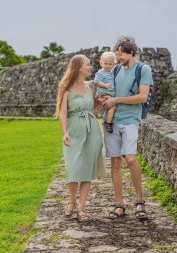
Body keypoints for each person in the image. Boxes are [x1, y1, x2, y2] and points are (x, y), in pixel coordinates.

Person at [101, 36, 153, 220]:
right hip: (112, 121)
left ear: (131, 52)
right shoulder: (115, 70)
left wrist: (116, 100)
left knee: (130, 159)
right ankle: (120, 204)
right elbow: (108, 91)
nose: (118, 56)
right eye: (117, 53)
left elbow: (141, 97)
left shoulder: (143, 69)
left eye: (121, 53)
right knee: (115, 162)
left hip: (131, 119)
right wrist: (104, 98)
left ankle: (140, 202)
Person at [55, 54, 105, 222]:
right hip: (74, 130)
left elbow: (96, 106)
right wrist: (65, 133)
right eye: (87, 65)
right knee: (73, 167)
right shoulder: (66, 87)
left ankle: (81, 208)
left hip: (92, 130)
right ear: (78, 67)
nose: (90, 67)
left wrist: (100, 101)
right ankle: (71, 202)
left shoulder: (91, 87)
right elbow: (62, 113)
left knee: (87, 169)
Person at [94, 51, 117, 133]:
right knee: (112, 107)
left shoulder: (111, 72)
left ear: (113, 64)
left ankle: (106, 120)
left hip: (110, 93)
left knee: (112, 107)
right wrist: (104, 85)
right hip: (103, 93)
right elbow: (96, 81)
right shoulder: (100, 72)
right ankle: (108, 123)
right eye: (105, 63)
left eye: (110, 64)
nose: (107, 66)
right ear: (101, 63)